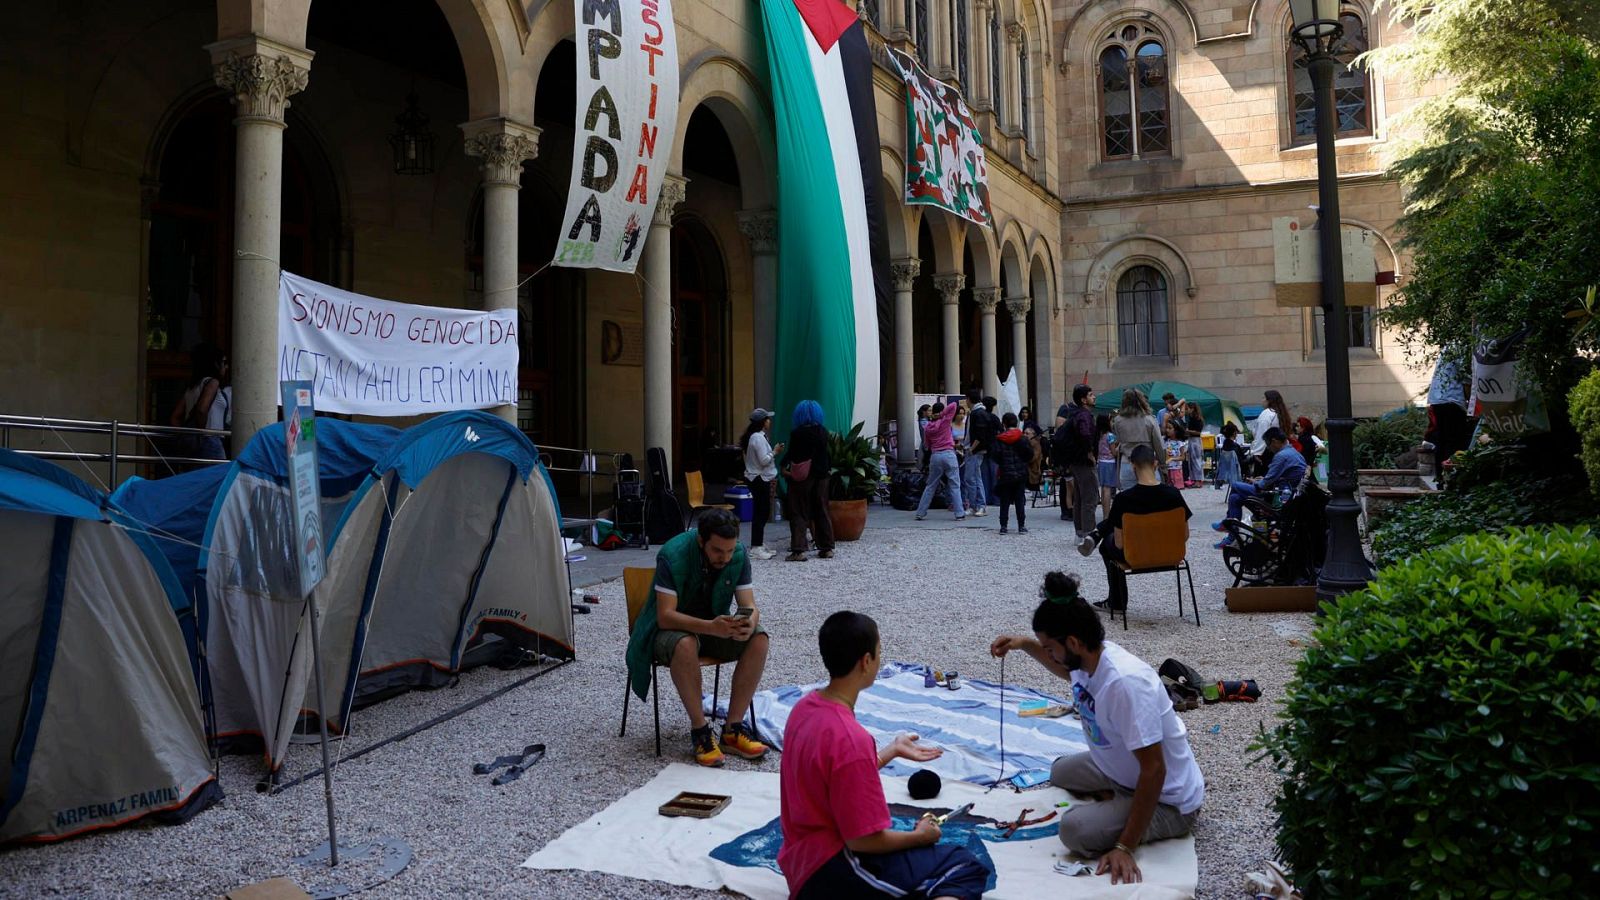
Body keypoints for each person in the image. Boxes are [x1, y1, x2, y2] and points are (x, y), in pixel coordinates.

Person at [989, 573, 1205, 884]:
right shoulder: (1088, 659)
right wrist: (1023, 645)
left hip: (1168, 800)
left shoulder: (1125, 684)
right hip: (1122, 770)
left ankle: (1124, 809)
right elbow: (1063, 669)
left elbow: (1154, 770)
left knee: (1074, 830)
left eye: (1050, 647)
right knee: (1060, 771)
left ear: (1073, 642)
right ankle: (1117, 799)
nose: (1047, 653)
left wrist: (1124, 846)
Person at [779, 611, 990, 899]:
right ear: (866, 661)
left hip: (800, 860)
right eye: (879, 652)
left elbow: (833, 778)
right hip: (830, 872)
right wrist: (920, 836)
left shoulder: (804, 708)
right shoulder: (850, 739)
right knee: (963, 866)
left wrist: (889, 752)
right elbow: (862, 840)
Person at [625, 509, 770, 766]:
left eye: (729, 550)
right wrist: (711, 627)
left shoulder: (737, 554)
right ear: (701, 541)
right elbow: (665, 617)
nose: (724, 557)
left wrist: (749, 622)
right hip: (665, 631)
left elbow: (750, 605)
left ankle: (733, 729)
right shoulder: (673, 554)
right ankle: (701, 732)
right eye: (717, 551)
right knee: (685, 643)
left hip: (712, 623)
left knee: (758, 639)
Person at [1077, 445, 1191, 613]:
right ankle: (1097, 534)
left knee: (1105, 546)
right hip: (1171, 554)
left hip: (1136, 556)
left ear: (1132, 466)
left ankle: (1117, 602)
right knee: (1111, 532)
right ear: (1155, 464)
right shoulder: (1174, 494)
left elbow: (1119, 543)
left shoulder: (1124, 499)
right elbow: (1185, 534)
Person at [1214, 427, 1307, 546]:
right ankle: (1231, 534)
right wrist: (1261, 481)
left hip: (1277, 498)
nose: (1269, 448)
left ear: (1274, 441)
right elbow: (1275, 478)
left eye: (1268, 445)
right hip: (1286, 495)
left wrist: (1256, 482)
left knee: (1235, 485)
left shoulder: (1282, 456)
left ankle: (1228, 525)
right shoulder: (1293, 453)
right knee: (1234, 498)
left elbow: (1264, 485)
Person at [782, 400, 835, 562]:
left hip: (803, 478)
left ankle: (798, 550)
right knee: (822, 510)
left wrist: (782, 465)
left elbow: (792, 455)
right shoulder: (823, 432)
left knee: (798, 511)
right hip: (822, 476)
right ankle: (826, 548)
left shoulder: (797, 434)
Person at [168, 343, 231, 461]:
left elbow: (175, 417)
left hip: (192, 445)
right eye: (224, 362)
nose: (226, 367)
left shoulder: (192, 387)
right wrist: (200, 436)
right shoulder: (213, 383)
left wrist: (187, 436)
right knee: (217, 478)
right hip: (210, 440)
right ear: (215, 364)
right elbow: (202, 410)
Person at [741, 409, 784, 560]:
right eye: (767, 419)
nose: (769, 421)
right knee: (761, 512)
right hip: (759, 478)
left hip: (759, 478)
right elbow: (764, 460)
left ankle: (758, 543)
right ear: (762, 421)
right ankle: (756, 546)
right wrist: (775, 451)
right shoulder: (757, 438)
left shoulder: (756, 437)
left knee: (762, 511)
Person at [1057, 384, 1099, 538]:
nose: (1094, 397)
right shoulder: (1084, 415)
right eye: (1091, 394)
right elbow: (1085, 435)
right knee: (1089, 497)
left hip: (1075, 461)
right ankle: (1088, 534)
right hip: (1083, 461)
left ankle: (1080, 532)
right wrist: (1090, 453)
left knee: (1080, 497)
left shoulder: (1075, 414)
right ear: (1083, 400)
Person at [914, 401, 965, 521]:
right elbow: (953, 405)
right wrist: (941, 414)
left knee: (930, 485)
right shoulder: (945, 421)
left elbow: (927, 445)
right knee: (954, 485)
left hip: (935, 455)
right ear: (942, 411)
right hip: (949, 454)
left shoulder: (927, 427)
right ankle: (959, 513)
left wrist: (935, 416)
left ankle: (920, 512)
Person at [1111, 390, 1163, 492]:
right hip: (1147, 462)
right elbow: (1159, 445)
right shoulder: (1150, 420)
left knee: (1130, 499)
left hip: (1127, 461)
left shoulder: (1117, 420)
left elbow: (1119, 439)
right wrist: (1163, 464)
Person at [991, 412, 1033, 534]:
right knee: (1019, 499)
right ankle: (1021, 525)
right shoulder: (1022, 438)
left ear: (1004, 424)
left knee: (1005, 500)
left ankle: (1003, 526)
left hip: (1005, 472)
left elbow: (996, 456)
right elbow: (1029, 455)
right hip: (1020, 473)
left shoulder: (1000, 439)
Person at [963, 390, 999, 517]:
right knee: (975, 478)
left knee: (971, 479)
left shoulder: (977, 414)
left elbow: (980, 434)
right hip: (976, 449)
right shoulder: (979, 413)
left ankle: (977, 505)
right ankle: (977, 505)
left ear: (968, 399)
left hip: (974, 450)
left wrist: (972, 449)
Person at [1247, 390, 1292, 475]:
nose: (1262, 400)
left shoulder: (1267, 414)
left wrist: (1256, 453)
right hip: (1279, 450)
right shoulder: (1280, 414)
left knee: (1262, 479)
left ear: (1269, 400)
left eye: (1263, 398)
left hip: (1266, 453)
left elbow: (1262, 434)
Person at [1095, 415, 1117, 514]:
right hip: (1109, 463)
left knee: (1103, 488)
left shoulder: (1097, 435)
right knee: (1107, 488)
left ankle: (1105, 512)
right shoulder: (1110, 436)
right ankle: (1107, 514)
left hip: (1100, 462)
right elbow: (1114, 452)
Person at [1214, 421, 1244, 489]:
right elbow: (1241, 461)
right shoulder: (1235, 447)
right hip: (1236, 471)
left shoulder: (1224, 446)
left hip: (1226, 472)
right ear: (1234, 433)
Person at [1183, 402, 1206, 487]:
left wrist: (1188, 431)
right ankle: (1195, 479)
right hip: (1192, 439)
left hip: (1195, 440)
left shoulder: (1197, 419)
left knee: (1196, 461)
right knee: (1193, 461)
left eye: (1187, 408)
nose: (1186, 410)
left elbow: (1198, 432)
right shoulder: (1191, 418)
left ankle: (1198, 480)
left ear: (1192, 409)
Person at [1162, 419, 1188, 490]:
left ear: (1176, 430)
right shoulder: (1165, 441)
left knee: (1176, 489)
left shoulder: (1180, 443)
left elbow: (1183, 457)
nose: (1167, 430)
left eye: (1170, 428)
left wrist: (1172, 458)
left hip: (1176, 470)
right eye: (1167, 428)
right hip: (1167, 469)